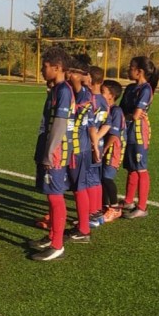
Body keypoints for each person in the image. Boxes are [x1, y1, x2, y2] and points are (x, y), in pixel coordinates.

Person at [27, 46, 75, 261]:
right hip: (48, 148)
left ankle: (57, 245)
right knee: (50, 195)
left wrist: (48, 153)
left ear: (57, 68)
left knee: (56, 196)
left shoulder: (64, 91)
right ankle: (52, 236)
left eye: (45, 66)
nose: (41, 70)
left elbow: (59, 125)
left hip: (55, 152)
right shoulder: (55, 90)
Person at [63, 55, 98, 244]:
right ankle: (82, 225)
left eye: (70, 71)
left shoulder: (83, 96)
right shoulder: (83, 94)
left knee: (79, 188)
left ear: (76, 75)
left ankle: (84, 229)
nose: (67, 74)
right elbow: (91, 124)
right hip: (81, 146)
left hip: (77, 148)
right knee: (78, 187)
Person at [120, 56, 159, 219]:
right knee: (131, 167)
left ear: (139, 71)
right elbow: (120, 110)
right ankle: (128, 201)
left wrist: (126, 115)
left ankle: (142, 206)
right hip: (127, 131)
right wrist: (125, 116)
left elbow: (136, 116)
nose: (128, 69)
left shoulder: (146, 89)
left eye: (131, 67)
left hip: (138, 133)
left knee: (141, 168)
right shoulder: (129, 88)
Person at [100, 80, 127, 222]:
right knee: (100, 178)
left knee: (106, 177)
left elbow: (114, 135)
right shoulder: (104, 108)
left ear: (111, 96)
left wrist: (104, 149)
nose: (100, 93)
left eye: (102, 91)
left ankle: (115, 208)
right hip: (104, 148)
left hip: (113, 149)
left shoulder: (116, 111)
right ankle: (104, 207)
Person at [86, 66, 110, 227]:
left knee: (88, 180)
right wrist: (99, 141)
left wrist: (93, 144)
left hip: (89, 145)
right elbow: (107, 124)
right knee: (95, 179)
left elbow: (91, 126)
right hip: (98, 144)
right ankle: (96, 212)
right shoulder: (104, 100)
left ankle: (90, 214)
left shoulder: (90, 99)